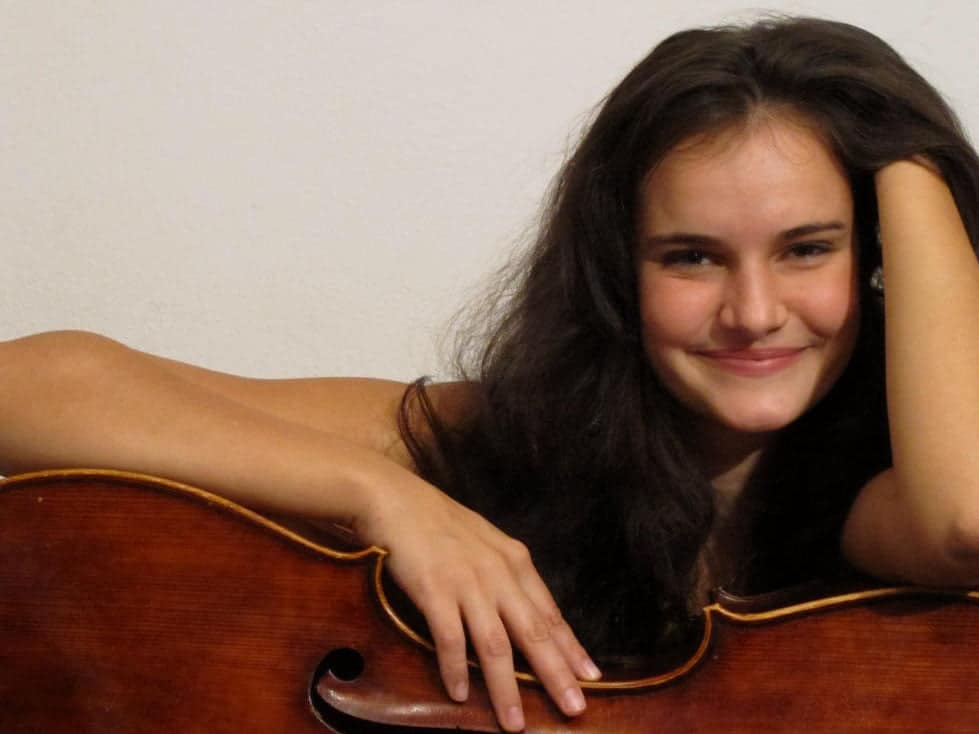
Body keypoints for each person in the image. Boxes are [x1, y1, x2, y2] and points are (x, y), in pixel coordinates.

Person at [2, 14, 978, 733]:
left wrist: (904, 150)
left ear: (881, 260)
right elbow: (27, 385)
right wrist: (386, 495)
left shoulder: (887, 495)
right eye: (690, 257)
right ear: (618, 274)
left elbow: (965, 519)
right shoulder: (512, 437)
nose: (753, 312)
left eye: (808, 249)